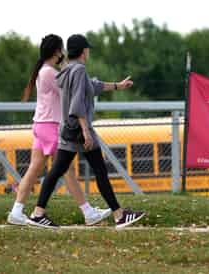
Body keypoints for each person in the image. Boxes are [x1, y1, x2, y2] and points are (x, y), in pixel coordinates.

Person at [27, 34, 145, 230]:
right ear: (83, 51)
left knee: (56, 171)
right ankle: (119, 215)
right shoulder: (79, 70)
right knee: (100, 171)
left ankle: (38, 213)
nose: (88, 51)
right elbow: (77, 104)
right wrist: (86, 130)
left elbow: (92, 87)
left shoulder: (66, 70)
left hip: (67, 130)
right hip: (80, 132)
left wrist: (117, 86)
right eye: (87, 49)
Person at [7, 34, 111, 227]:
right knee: (67, 170)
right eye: (61, 50)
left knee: (35, 169)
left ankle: (17, 211)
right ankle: (87, 212)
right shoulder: (49, 73)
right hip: (51, 126)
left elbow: (67, 81)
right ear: (57, 51)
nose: (63, 53)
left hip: (40, 125)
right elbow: (70, 88)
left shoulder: (44, 71)